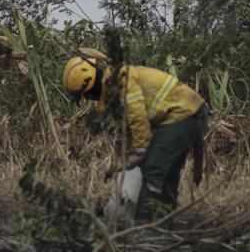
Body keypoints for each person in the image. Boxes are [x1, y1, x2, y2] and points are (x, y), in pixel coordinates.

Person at [63, 51, 208, 221]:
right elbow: (130, 127)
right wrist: (131, 156)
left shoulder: (119, 81)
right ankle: (162, 222)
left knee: (152, 171)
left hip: (182, 115)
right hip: (188, 114)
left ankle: (145, 224)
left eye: (86, 94)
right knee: (167, 174)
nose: (88, 98)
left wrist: (140, 149)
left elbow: (137, 116)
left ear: (90, 84)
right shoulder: (113, 88)